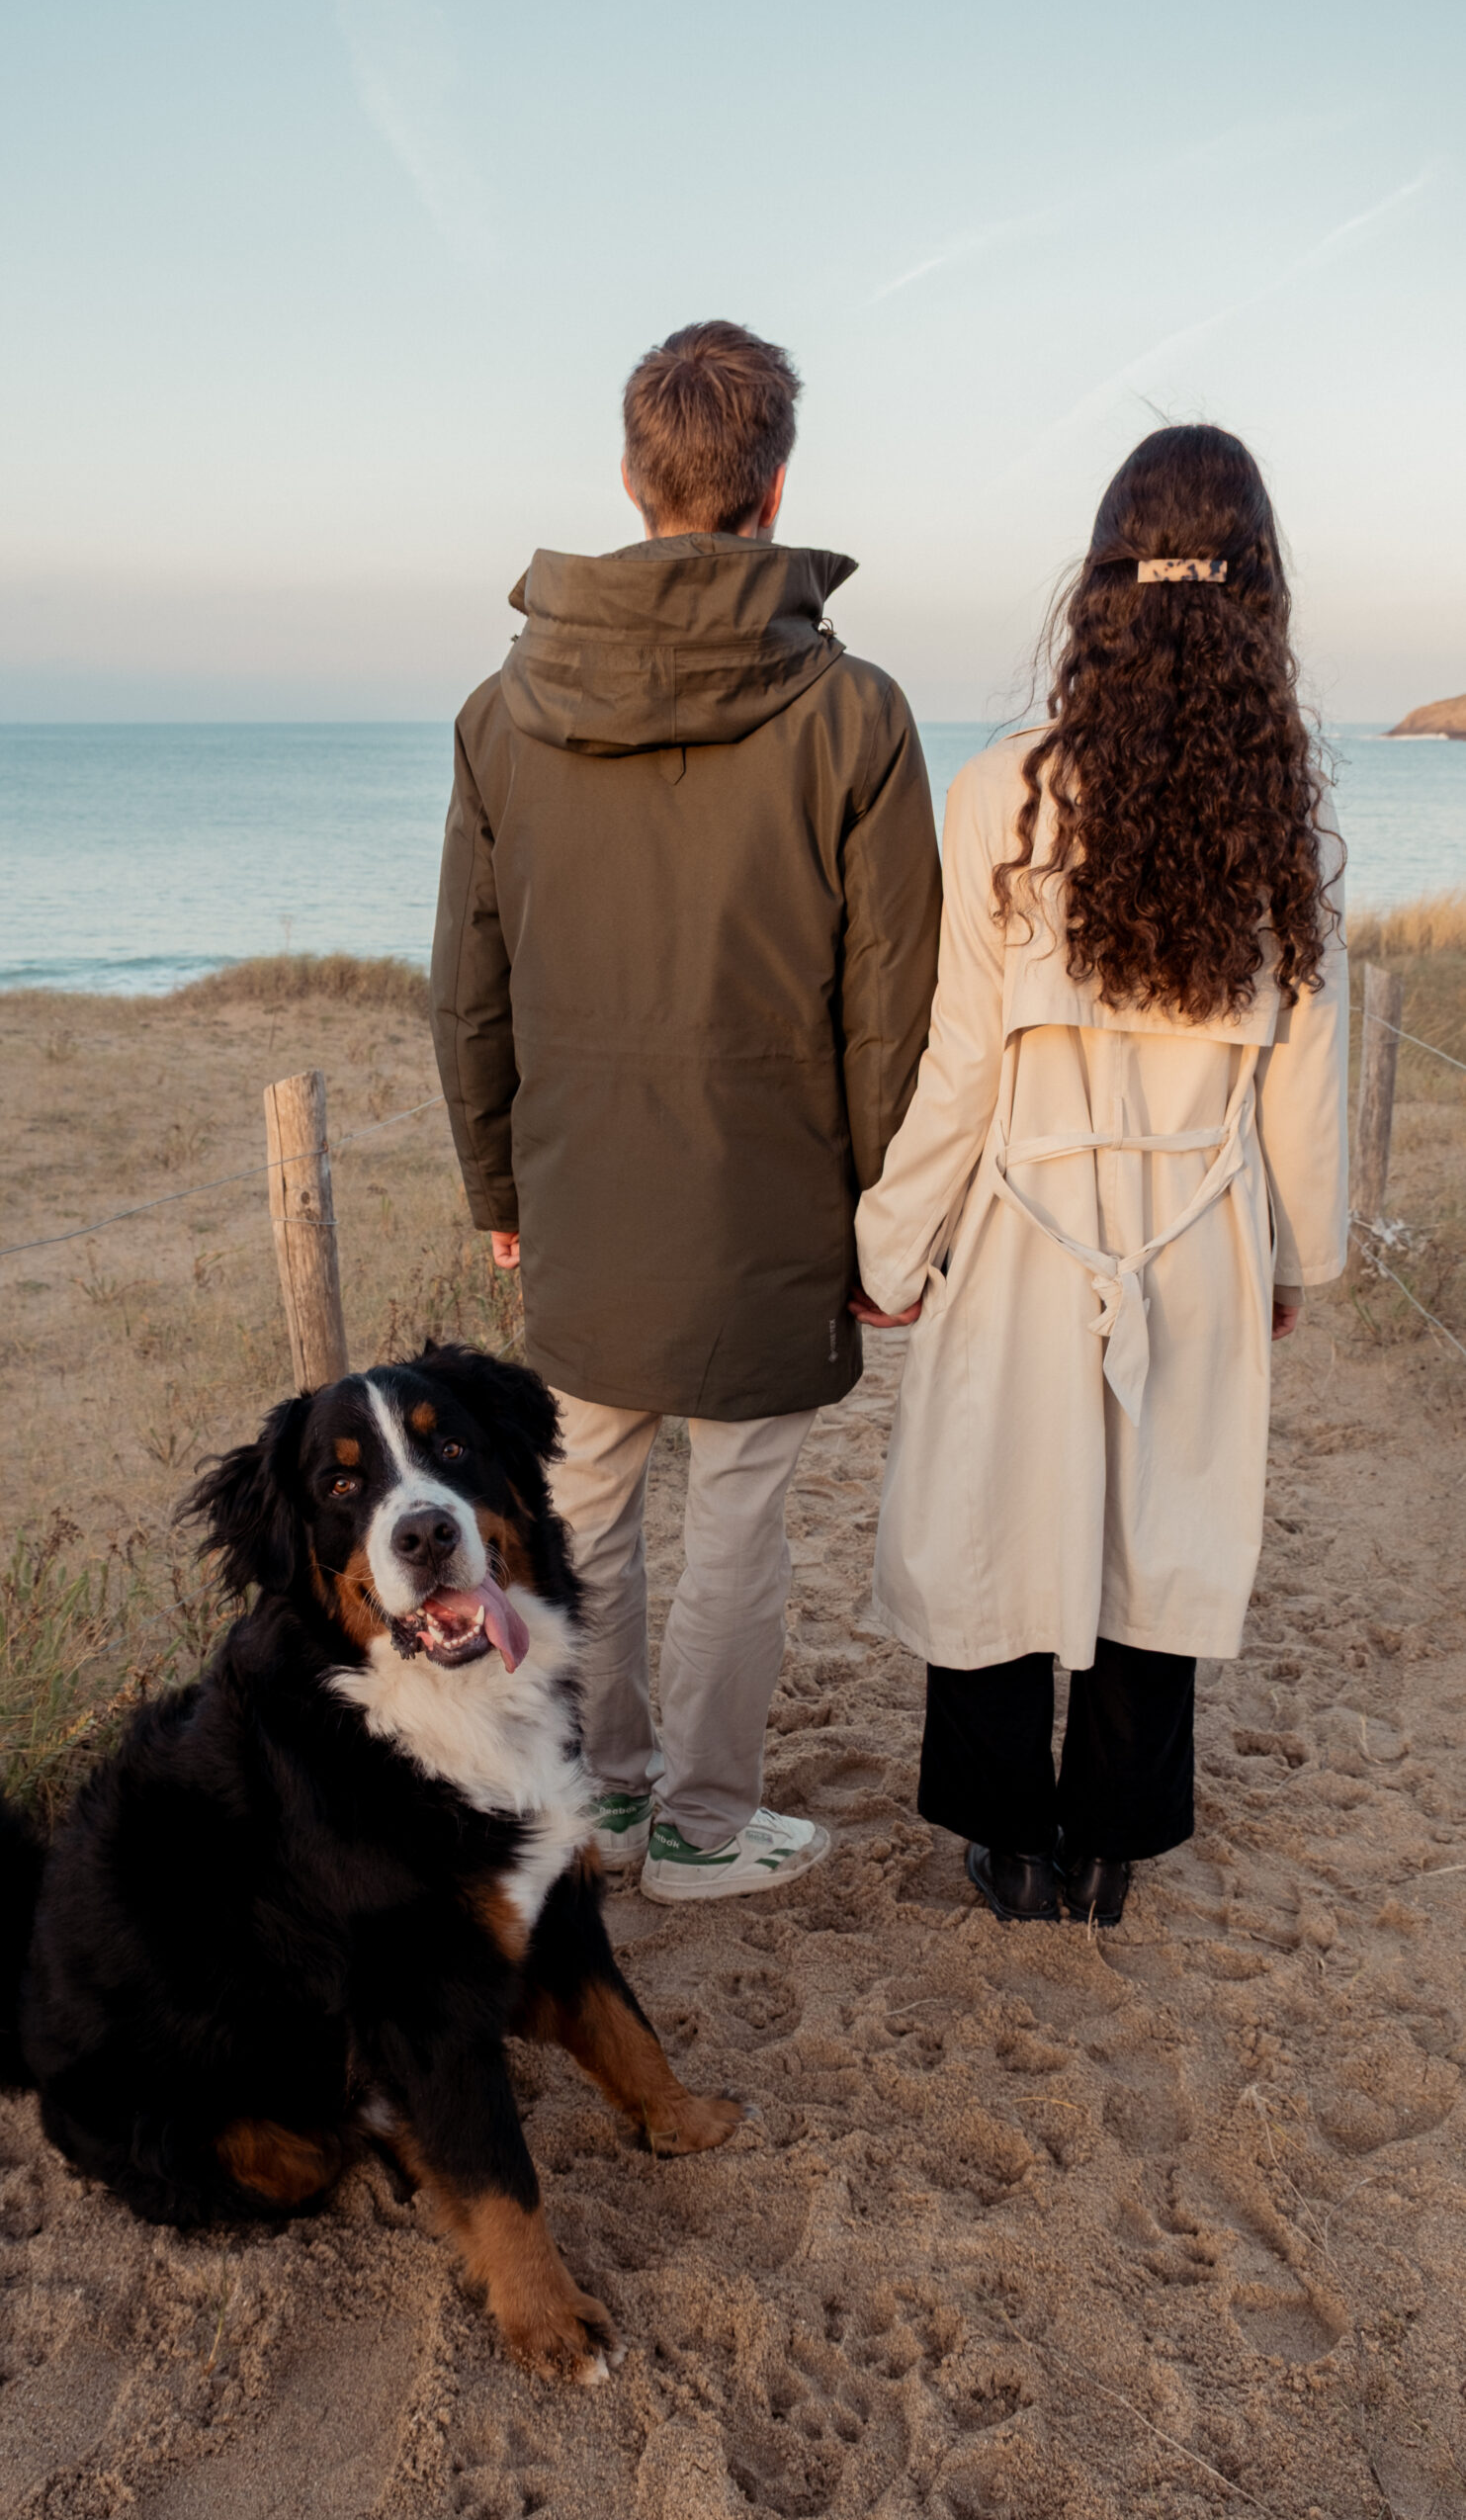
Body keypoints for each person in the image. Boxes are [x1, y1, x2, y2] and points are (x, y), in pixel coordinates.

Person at [431, 320, 942, 1903]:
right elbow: (894, 1006)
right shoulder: (856, 713)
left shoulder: (501, 714)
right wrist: (885, 1219)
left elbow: (470, 982)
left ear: (633, 477)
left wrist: (496, 1182)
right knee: (735, 1530)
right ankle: (707, 1829)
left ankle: (610, 1800)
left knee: (583, 1511)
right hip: (772, 1209)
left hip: (584, 1205)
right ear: (775, 485)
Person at [852, 423, 1348, 1927]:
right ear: (1257, 582)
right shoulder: (1288, 815)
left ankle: (1007, 1842)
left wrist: (893, 1243)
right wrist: (1289, 1259)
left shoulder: (1002, 789)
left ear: (1102, 579)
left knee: (999, 1512)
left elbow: (962, 1061)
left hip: (1026, 1229)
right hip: (1196, 1229)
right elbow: (1302, 1083)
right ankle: (1114, 1845)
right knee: (1161, 1529)